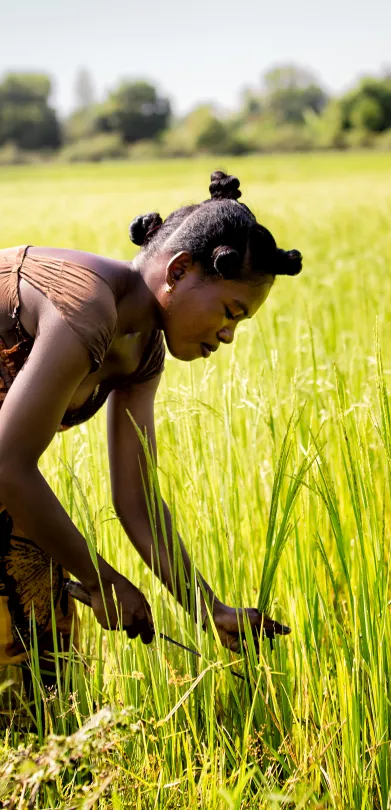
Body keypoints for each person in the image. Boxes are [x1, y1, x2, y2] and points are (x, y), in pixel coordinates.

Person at [0, 171, 302, 683]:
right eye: (230, 311)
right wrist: (100, 581)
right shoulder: (86, 306)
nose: (228, 335)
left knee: (42, 662)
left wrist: (209, 608)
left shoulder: (142, 352)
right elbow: (8, 463)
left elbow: (136, 498)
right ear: (179, 270)